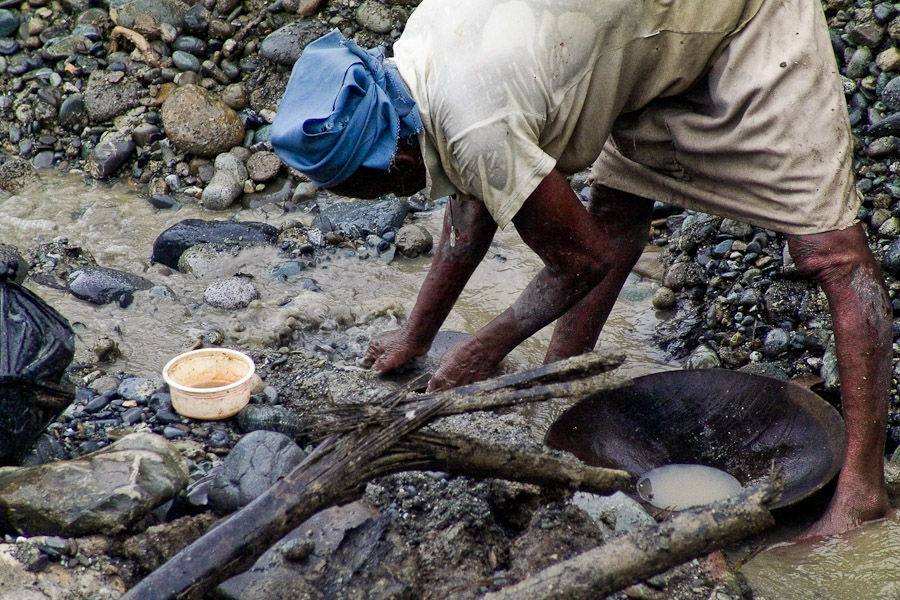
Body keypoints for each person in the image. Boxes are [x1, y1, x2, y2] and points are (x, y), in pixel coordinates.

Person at [272, 0, 892, 538]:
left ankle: (862, 491)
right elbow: (472, 204)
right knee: (616, 207)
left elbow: (581, 260)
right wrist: (418, 335)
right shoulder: (412, 71)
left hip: (743, 20)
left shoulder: (472, 119)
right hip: (643, 36)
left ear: (399, 152)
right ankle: (564, 378)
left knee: (832, 254)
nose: (389, 198)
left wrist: (480, 350)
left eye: (379, 186)